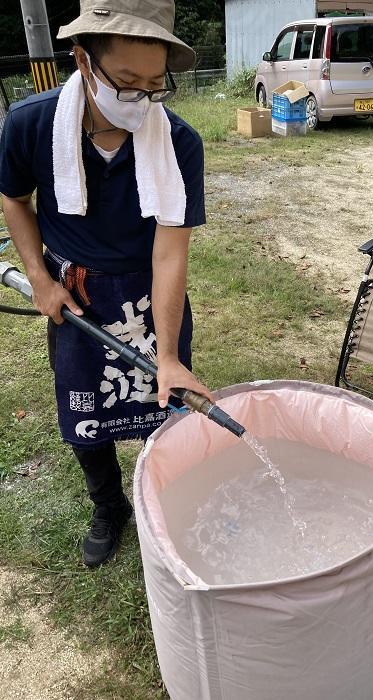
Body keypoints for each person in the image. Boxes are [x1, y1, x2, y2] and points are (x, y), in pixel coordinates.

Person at [0, 0, 214, 568]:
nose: (140, 98)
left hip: (148, 286)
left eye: (154, 85)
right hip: (76, 289)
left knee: (164, 399)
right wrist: (42, 280)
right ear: (83, 60)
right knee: (83, 405)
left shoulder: (180, 142)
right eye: (125, 82)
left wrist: (167, 354)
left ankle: (160, 497)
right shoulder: (30, 122)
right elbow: (14, 201)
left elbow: (171, 253)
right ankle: (109, 505)